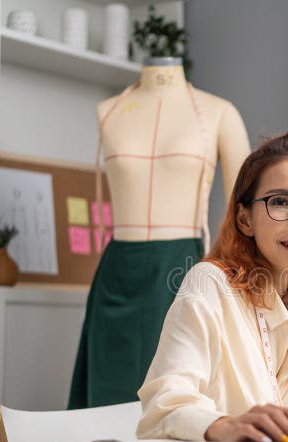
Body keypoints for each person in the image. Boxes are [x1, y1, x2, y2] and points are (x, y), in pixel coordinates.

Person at [137, 131, 288, 442]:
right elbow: (164, 406)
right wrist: (226, 425)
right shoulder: (211, 284)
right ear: (245, 219)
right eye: (280, 202)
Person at [67, 57, 250, 410]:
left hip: (183, 270)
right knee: (105, 403)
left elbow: (245, 213)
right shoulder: (109, 110)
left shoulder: (219, 113)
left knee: (176, 401)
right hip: (117, 274)